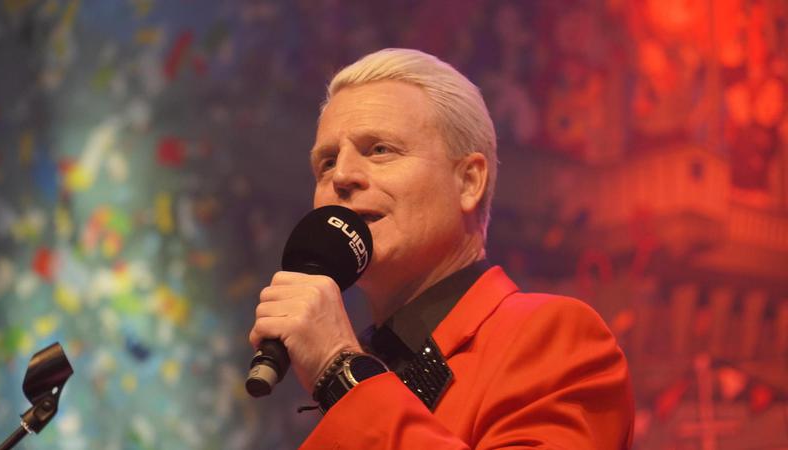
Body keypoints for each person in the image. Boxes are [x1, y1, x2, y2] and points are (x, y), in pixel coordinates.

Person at [249, 48, 634, 449]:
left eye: (379, 149)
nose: (341, 176)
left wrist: (341, 372)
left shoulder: (553, 336)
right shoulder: (346, 400)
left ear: (468, 181)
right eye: (327, 162)